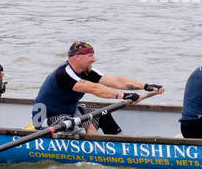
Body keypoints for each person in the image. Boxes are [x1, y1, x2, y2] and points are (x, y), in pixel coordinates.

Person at [33, 41, 163, 135]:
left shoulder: (87, 71)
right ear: (77, 57)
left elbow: (115, 81)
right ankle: (101, 155)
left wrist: (145, 86)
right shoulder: (64, 73)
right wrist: (124, 96)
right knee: (87, 123)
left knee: (103, 115)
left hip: (69, 112)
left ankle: (122, 147)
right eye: (90, 56)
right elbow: (94, 89)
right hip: (45, 118)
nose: (94, 59)